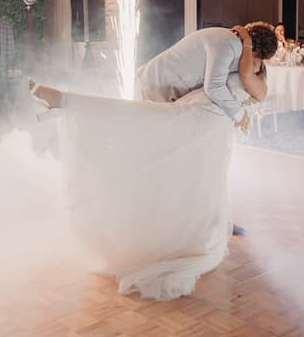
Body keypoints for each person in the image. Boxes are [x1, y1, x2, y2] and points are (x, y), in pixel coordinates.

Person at [26, 39, 267, 300]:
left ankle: (66, 102)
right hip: (193, 114)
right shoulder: (234, 64)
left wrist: (244, 37)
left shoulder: (257, 82)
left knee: (149, 133)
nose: (248, 58)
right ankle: (66, 101)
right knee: (143, 123)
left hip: (205, 123)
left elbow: (243, 74)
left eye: (256, 57)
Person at [135, 23, 277, 132]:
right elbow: (214, 86)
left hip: (165, 89)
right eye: (256, 59)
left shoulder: (233, 43)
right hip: (154, 84)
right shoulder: (229, 42)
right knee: (149, 137)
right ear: (256, 50)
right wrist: (239, 114)